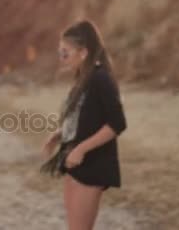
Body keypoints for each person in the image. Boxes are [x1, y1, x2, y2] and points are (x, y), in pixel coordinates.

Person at [41, 20, 127, 230]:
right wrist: (58, 135)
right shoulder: (84, 78)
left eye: (65, 53)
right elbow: (83, 118)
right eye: (59, 53)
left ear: (83, 52)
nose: (62, 59)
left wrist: (81, 149)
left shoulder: (101, 79)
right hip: (76, 163)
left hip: (93, 164)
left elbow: (117, 123)